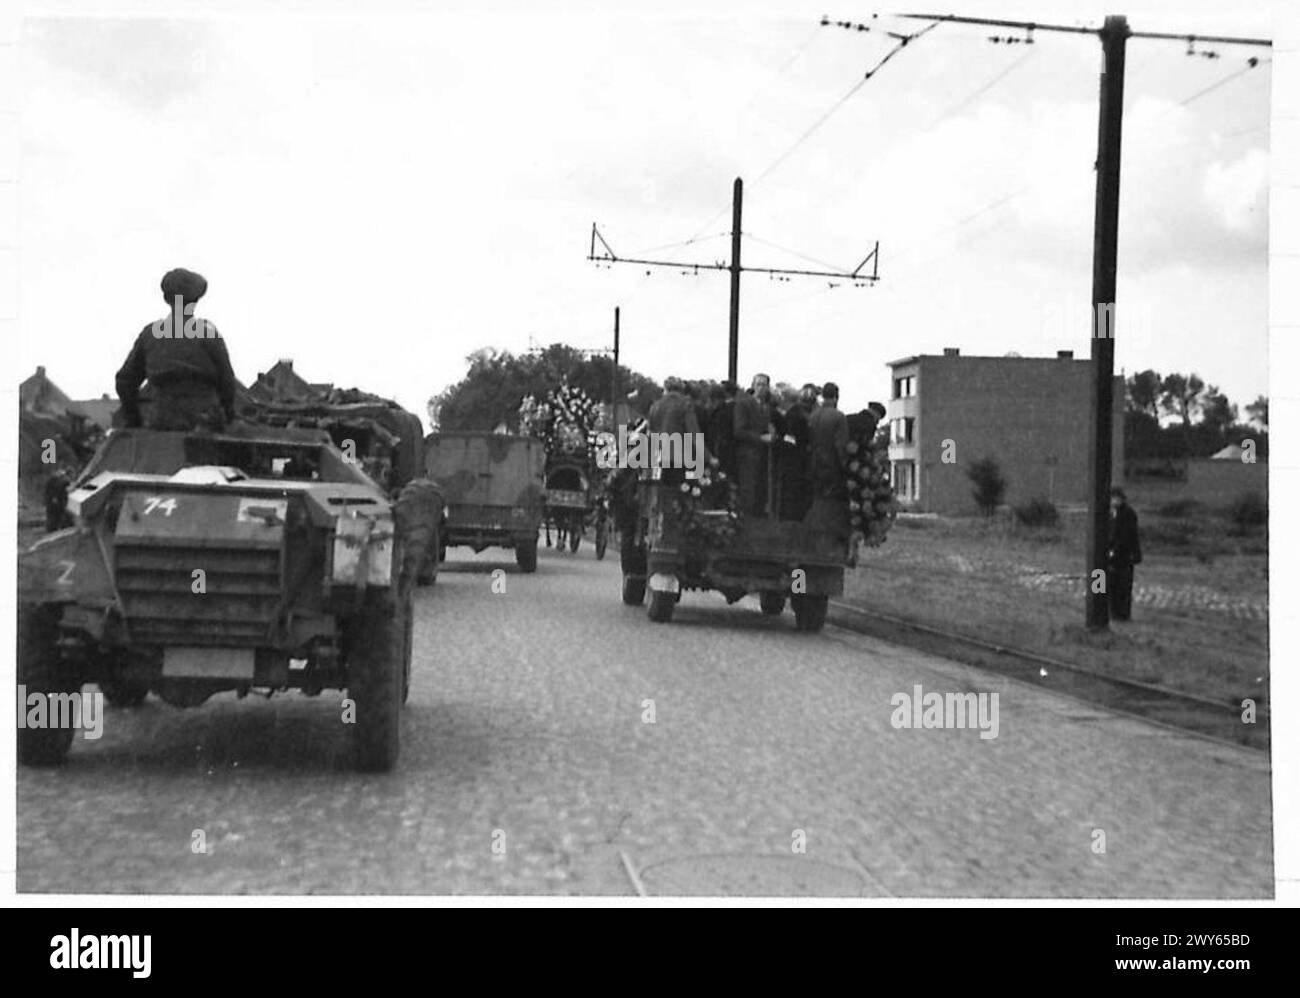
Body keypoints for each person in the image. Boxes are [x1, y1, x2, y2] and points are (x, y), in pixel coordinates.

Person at [116, 268, 238, 432]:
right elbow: (227, 382)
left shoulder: (151, 333)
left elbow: (125, 381)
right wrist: (228, 415)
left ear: (167, 299)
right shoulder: (206, 331)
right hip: (204, 422)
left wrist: (133, 419)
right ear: (195, 300)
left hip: (162, 421)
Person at [647, 376, 702, 486]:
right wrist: (708, 457)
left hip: (659, 457)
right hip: (680, 457)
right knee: (682, 492)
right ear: (681, 389)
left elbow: (650, 434)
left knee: (662, 492)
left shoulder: (655, 406)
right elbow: (694, 434)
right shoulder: (685, 404)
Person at [733, 373, 774, 515]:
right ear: (753, 386)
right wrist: (760, 438)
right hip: (748, 454)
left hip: (763, 455)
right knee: (748, 490)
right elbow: (739, 430)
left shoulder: (767, 407)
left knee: (760, 492)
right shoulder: (744, 404)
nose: (762, 388)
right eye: (759, 384)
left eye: (764, 385)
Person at [776, 383, 818, 521]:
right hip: (799, 458)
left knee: (793, 491)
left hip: (795, 459)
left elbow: (790, 438)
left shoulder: (794, 414)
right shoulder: (800, 415)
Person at [808, 381, 848, 500]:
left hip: (814, 462)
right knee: (831, 501)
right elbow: (841, 444)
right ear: (836, 397)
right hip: (832, 464)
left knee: (817, 498)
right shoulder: (839, 417)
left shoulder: (813, 416)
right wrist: (845, 464)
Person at [1108, 486, 1142, 621]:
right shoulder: (1107, 513)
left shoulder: (1128, 514)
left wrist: (1116, 550)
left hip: (1124, 555)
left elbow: (1128, 536)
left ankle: (1122, 614)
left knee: (1123, 585)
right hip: (1106, 555)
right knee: (1103, 583)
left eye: (1117, 498)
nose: (1114, 501)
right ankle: (1107, 611)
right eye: (1112, 498)